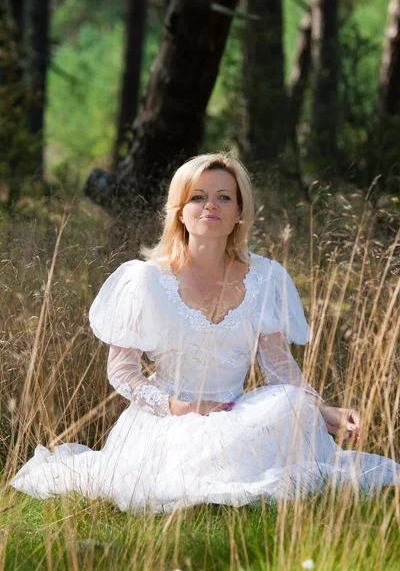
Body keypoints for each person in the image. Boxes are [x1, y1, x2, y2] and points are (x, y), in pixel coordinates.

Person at [11, 153, 399, 512]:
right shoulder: (145, 280)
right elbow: (122, 371)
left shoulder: (266, 278)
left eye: (224, 197)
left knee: (289, 404)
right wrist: (177, 407)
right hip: (167, 420)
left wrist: (321, 407)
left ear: (240, 213)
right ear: (179, 211)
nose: (210, 205)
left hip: (236, 414)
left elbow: (279, 364)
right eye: (197, 197)